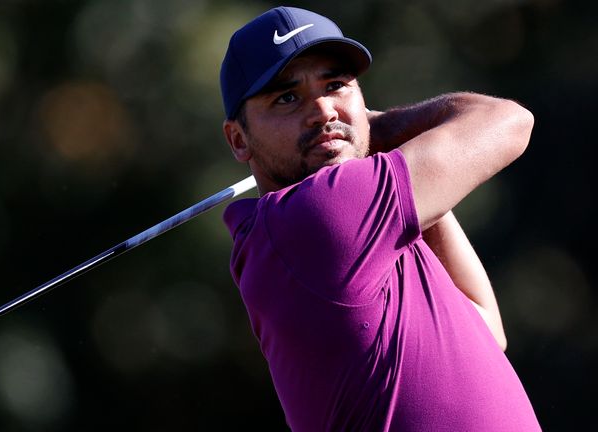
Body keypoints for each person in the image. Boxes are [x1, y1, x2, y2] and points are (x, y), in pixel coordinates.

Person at [219, 6, 539, 431]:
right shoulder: (317, 215)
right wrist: (389, 127)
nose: (324, 111)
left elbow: (484, 327)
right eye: (287, 98)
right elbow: (511, 121)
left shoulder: (358, 229)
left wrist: (380, 148)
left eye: (336, 85)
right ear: (239, 140)